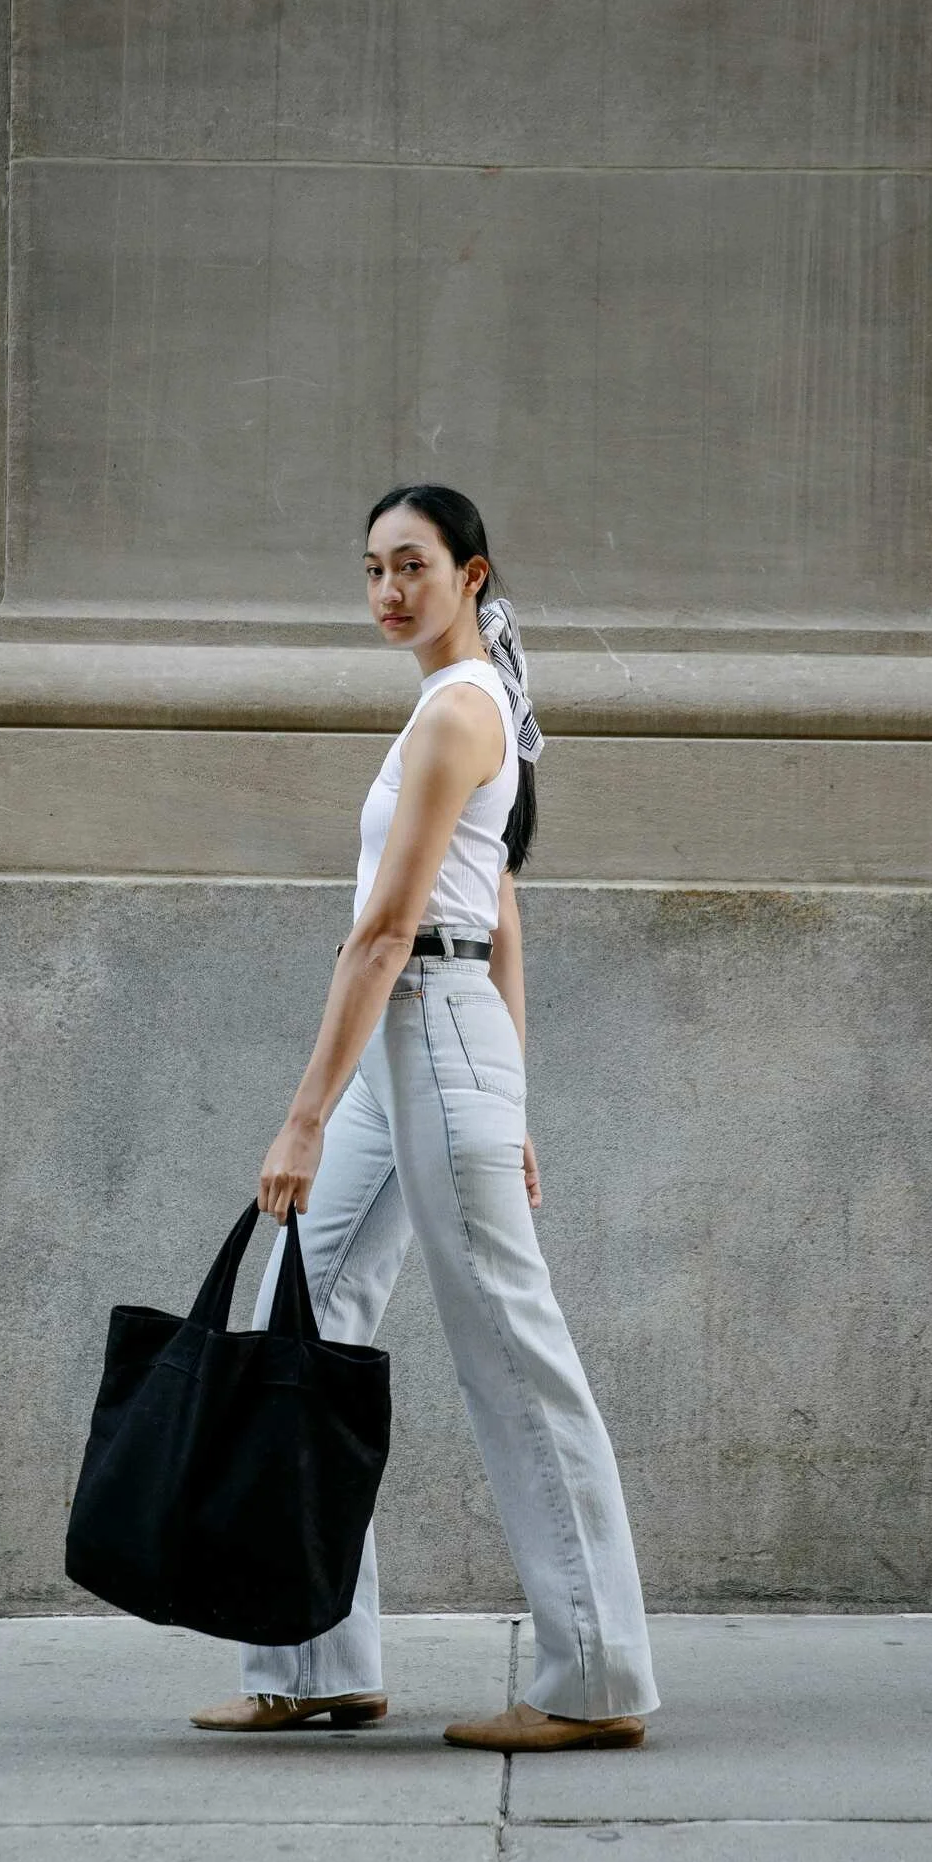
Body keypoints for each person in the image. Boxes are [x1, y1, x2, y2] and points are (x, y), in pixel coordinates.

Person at [191, 485, 660, 1752]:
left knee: (510, 1348)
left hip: (427, 1025)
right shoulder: (453, 703)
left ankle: (597, 1676)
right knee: (298, 1299)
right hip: (442, 1042)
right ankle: (312, 1662)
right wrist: (511, 1095)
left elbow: (392, 931)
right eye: (371, 569)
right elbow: (504, 909)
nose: (389, 590)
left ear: (473, 574)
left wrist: (302, 1118)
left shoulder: (460, 710)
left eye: (413, 565)